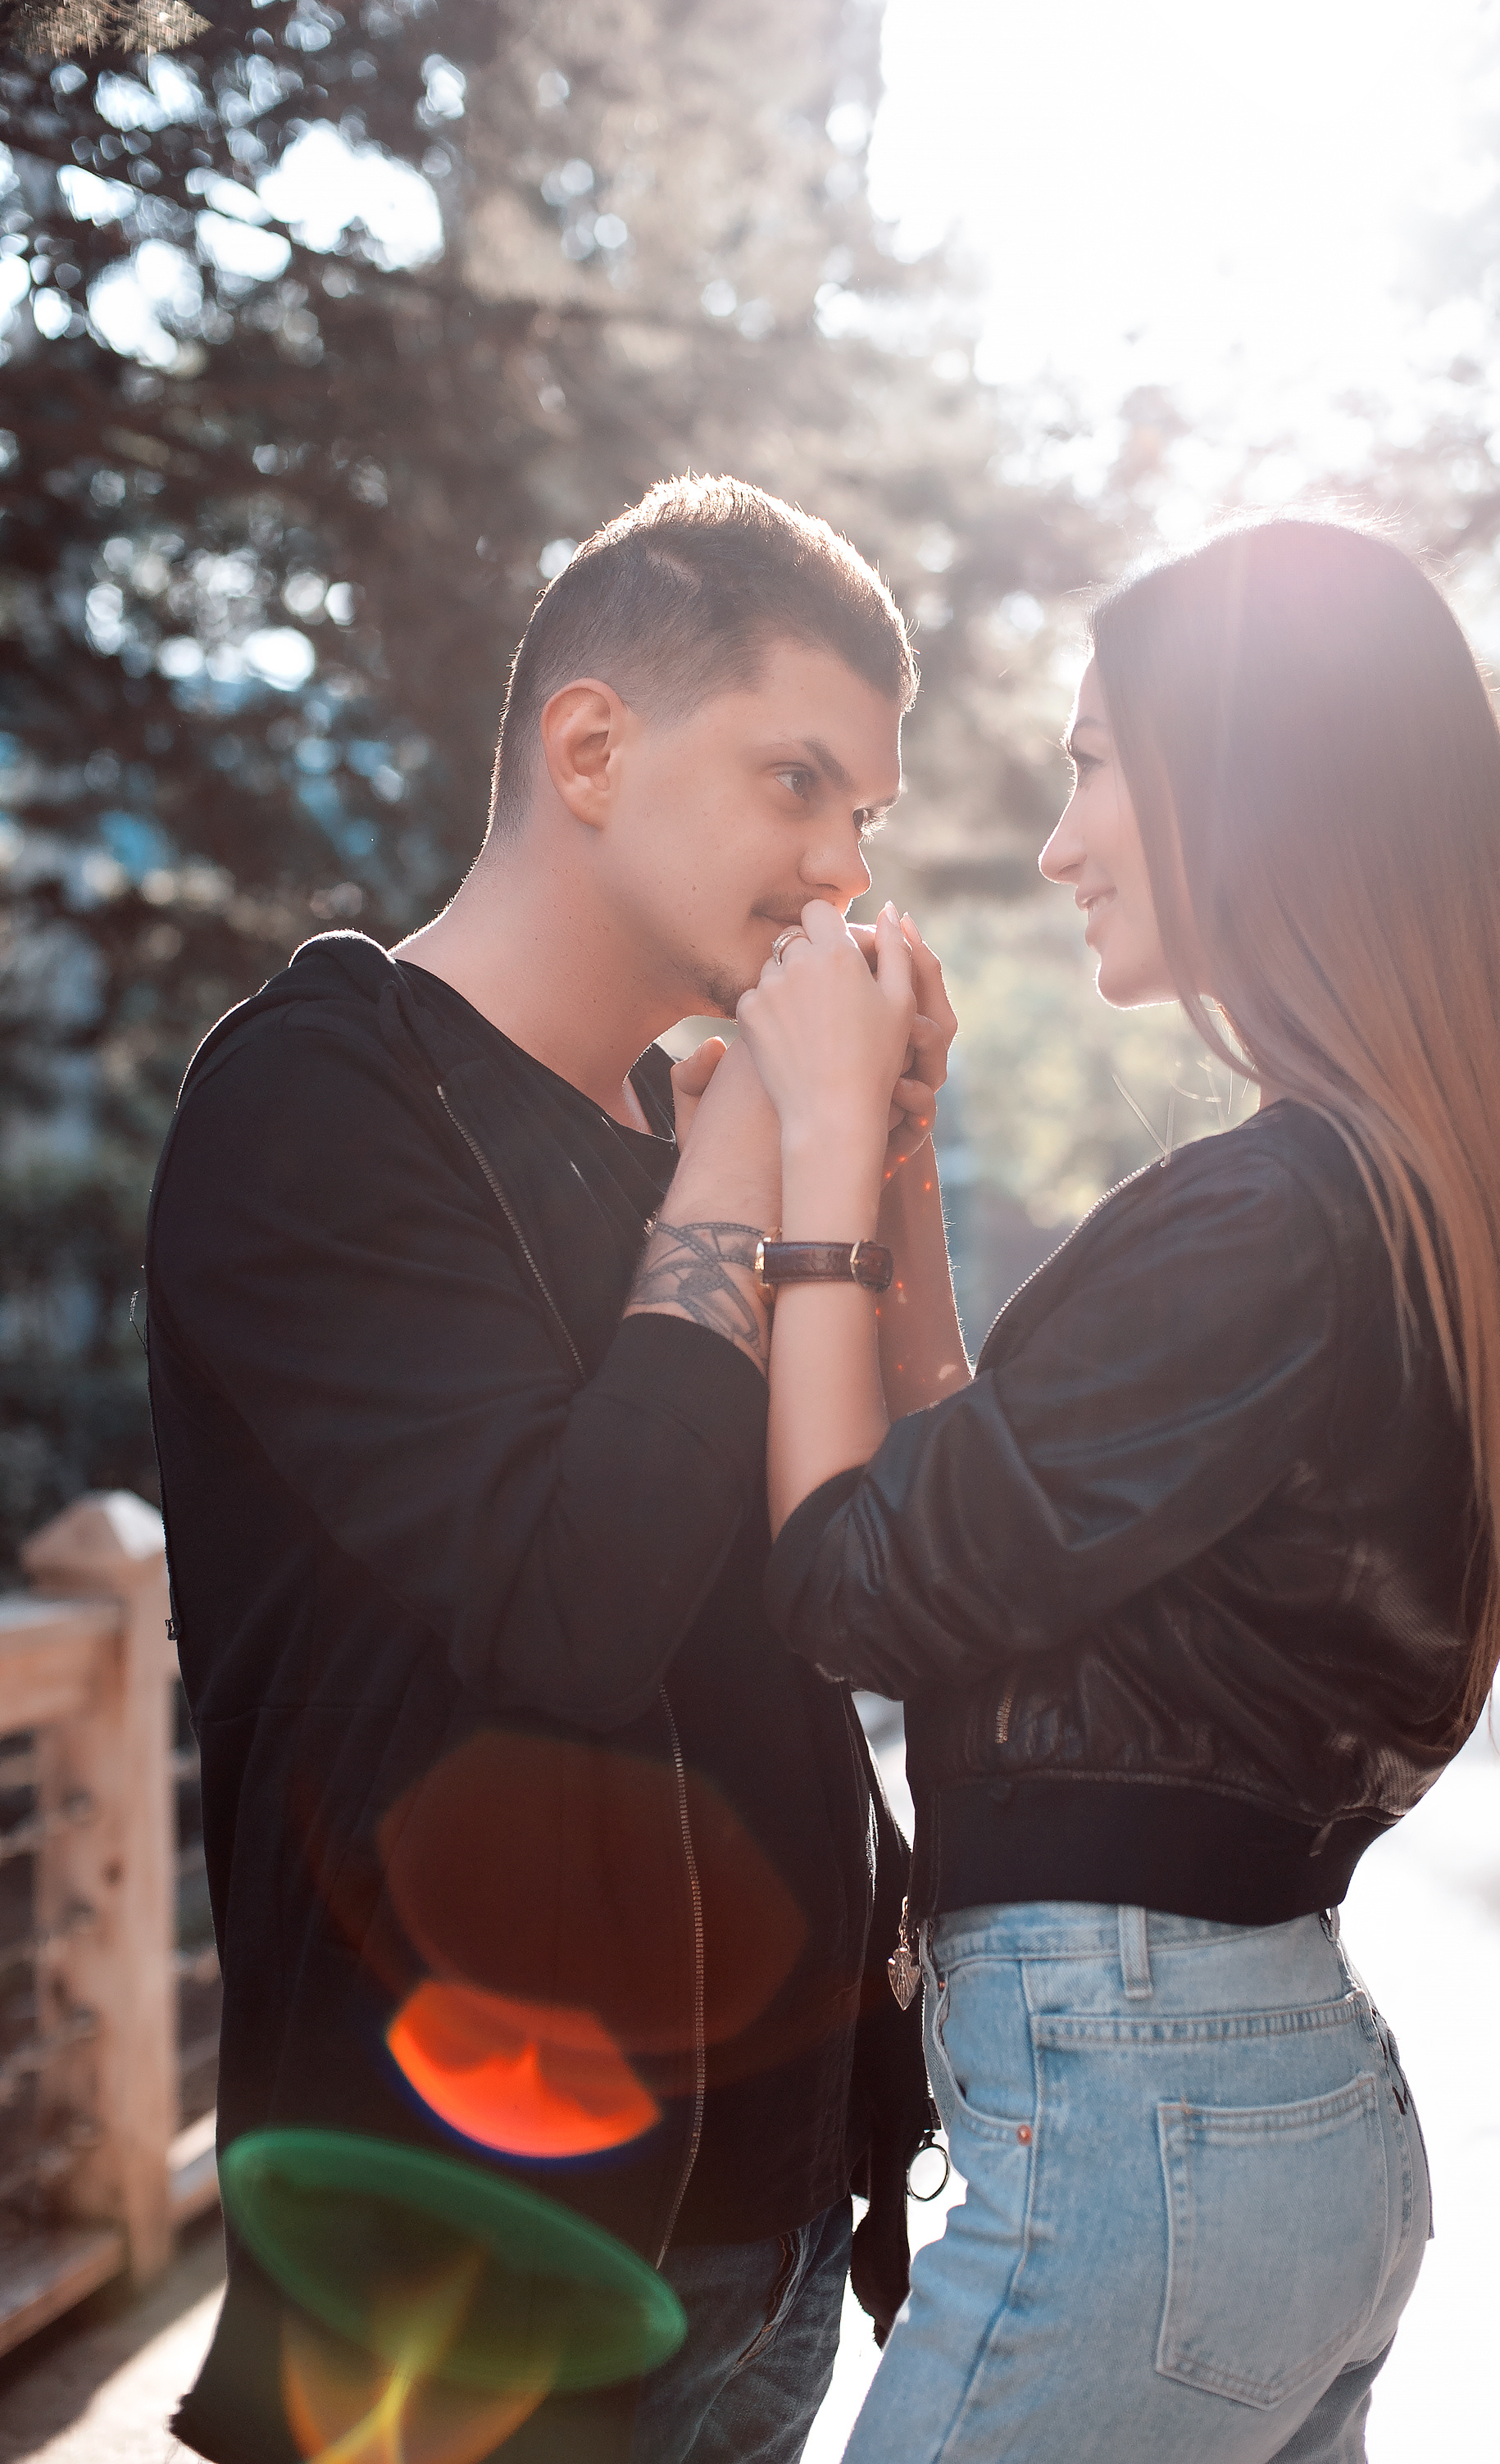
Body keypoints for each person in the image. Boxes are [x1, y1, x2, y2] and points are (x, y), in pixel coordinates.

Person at [714, 518, 1500, 2462]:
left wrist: (797, 1154)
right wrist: (889, 1155)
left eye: (1095, 764)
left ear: (1250, 790)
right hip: (1264, 2124)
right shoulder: (1381, 1205)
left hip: (1147, 2128)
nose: (1058, 844)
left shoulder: (1269, 1220)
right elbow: (981, 1521)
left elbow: (848, 1580)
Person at [143, 475, 946, 2464]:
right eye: (795, 781)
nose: (843, 869)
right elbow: (569, 1610)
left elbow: (894, 1565)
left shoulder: (662, 1136)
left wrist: (880, 1156)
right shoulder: (323, 1098)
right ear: (591, 748)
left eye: (868, 816)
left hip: (762, 2263)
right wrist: (757, 1149)